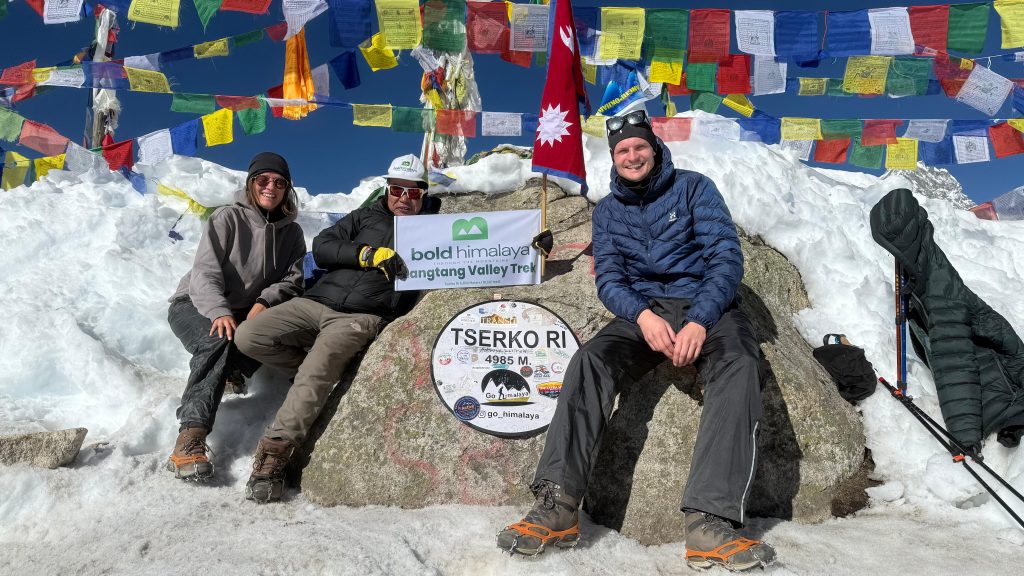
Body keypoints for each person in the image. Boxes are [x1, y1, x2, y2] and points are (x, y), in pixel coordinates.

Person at [496, 109, 776, 571]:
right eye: (622, 150)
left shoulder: (694, 188)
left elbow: (725, 258)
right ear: (614, 157)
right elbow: (609, 279)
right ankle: (558, 504)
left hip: (708, 306)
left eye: (639, 146)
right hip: (644, 313)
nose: (631, 155)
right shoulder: (608, 211)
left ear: (655, 148)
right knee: (590, 360)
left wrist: (700, 320)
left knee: (740, 364)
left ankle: (709, 521)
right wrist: (642, 316)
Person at [233, 153, 441, 503]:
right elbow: (323, 246)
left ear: (424, 194)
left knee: (319, 366)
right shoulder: (363, 216)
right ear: (387, 189)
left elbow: (478, 252)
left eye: (413, 192)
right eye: (397, 189)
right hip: (316, 301)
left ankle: (274, 454)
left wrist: (525, 248)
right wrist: (366, 254)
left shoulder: (435, 228)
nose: (404, 198)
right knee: (249, 335)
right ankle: (309, 374)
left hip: (362, 314)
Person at [166, 152, 306, 482]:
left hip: (246, 311)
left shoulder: (292, 234)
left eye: (279, 182)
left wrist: (264, 301)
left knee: (268, 331)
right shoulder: (227, 218)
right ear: (251, 183)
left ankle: (231, 372)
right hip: (194, 303)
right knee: (217, 338)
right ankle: (189, 438)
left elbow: (293, 279)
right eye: (263, 180)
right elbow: (205, 272)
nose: (271, 187)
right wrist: (219, 310)